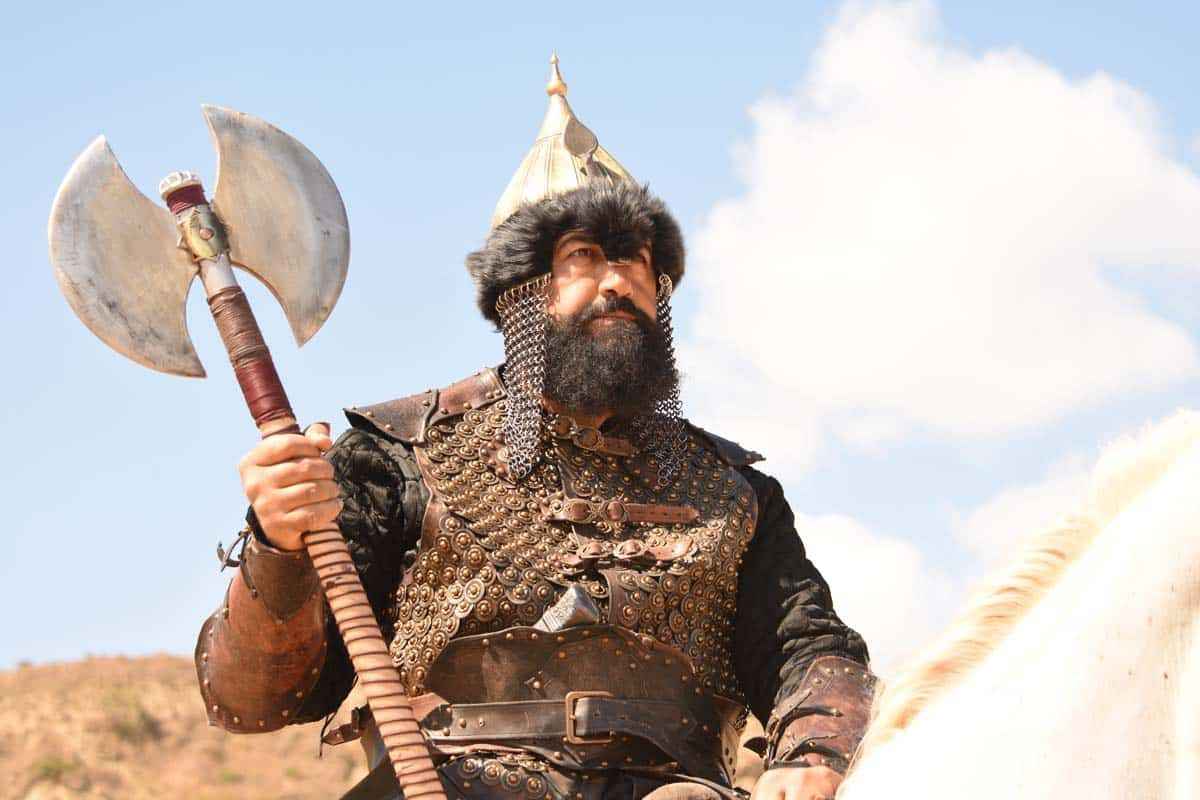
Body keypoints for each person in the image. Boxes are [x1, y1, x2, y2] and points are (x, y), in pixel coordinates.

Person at [195, 56, 876, 800]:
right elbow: (256, 700)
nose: (618, 280)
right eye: (584, 255)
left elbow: (807, 647)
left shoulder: (734, 494)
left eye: (636, 259)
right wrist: (280, 547)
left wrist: (813, 748)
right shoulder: (399, 459)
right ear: (523, 289)